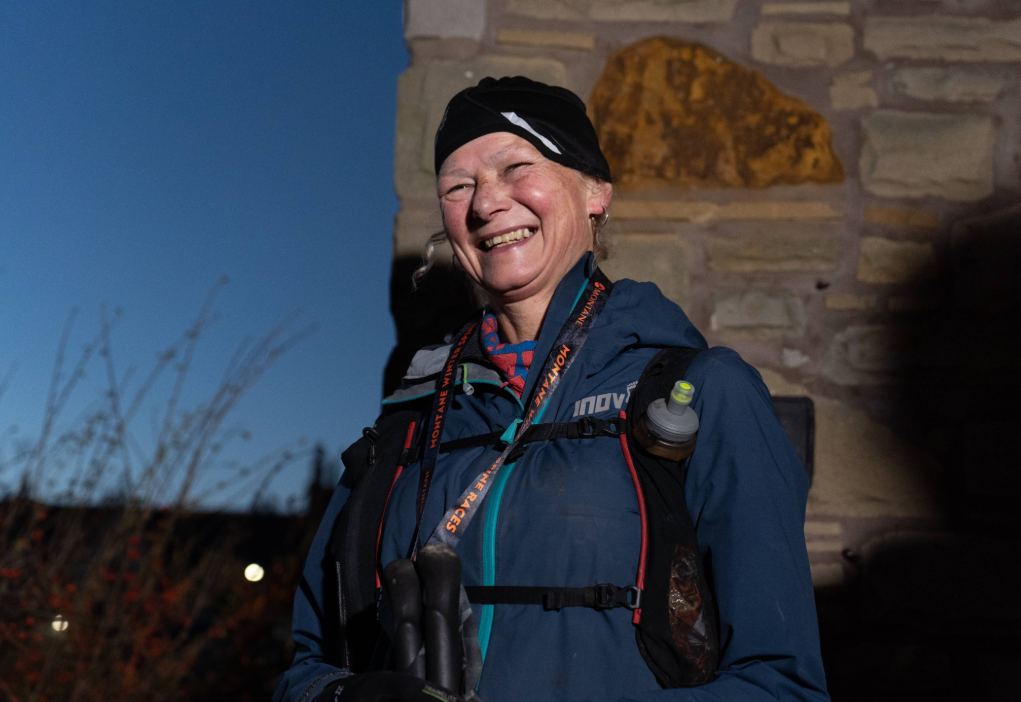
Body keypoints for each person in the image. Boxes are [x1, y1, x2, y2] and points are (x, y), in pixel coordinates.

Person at [274, 77, 828, 702]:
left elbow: (783, 685)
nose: (486, 205)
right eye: (458, 186)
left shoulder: (701, 392)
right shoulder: (405, 424)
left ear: (596, 191)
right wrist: (346, 699)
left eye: (516, 167)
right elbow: (306, 665)